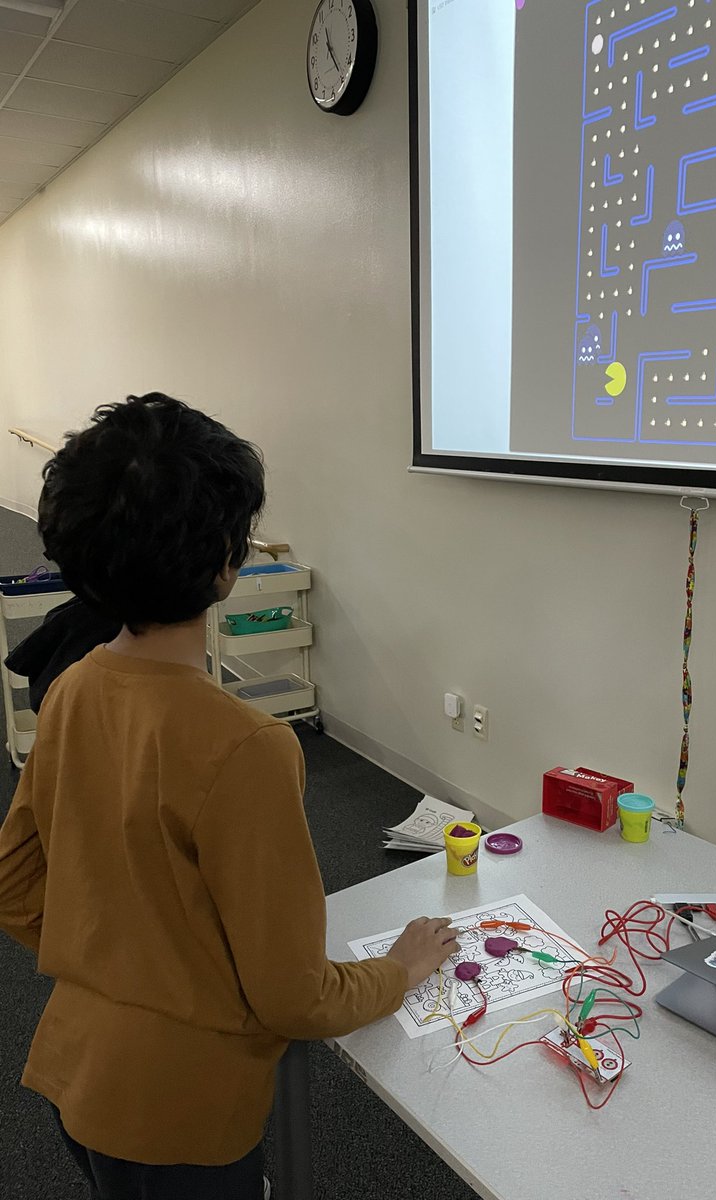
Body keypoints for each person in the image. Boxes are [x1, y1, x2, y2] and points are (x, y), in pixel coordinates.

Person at [0, 393, 458, 1200]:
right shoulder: (248, 746)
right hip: (183, 1116)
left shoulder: (70, 691)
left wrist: (117, 953)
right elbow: (294, 998)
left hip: (75, 1074)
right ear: (226, 561)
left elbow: (14, 883)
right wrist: (401, 967)